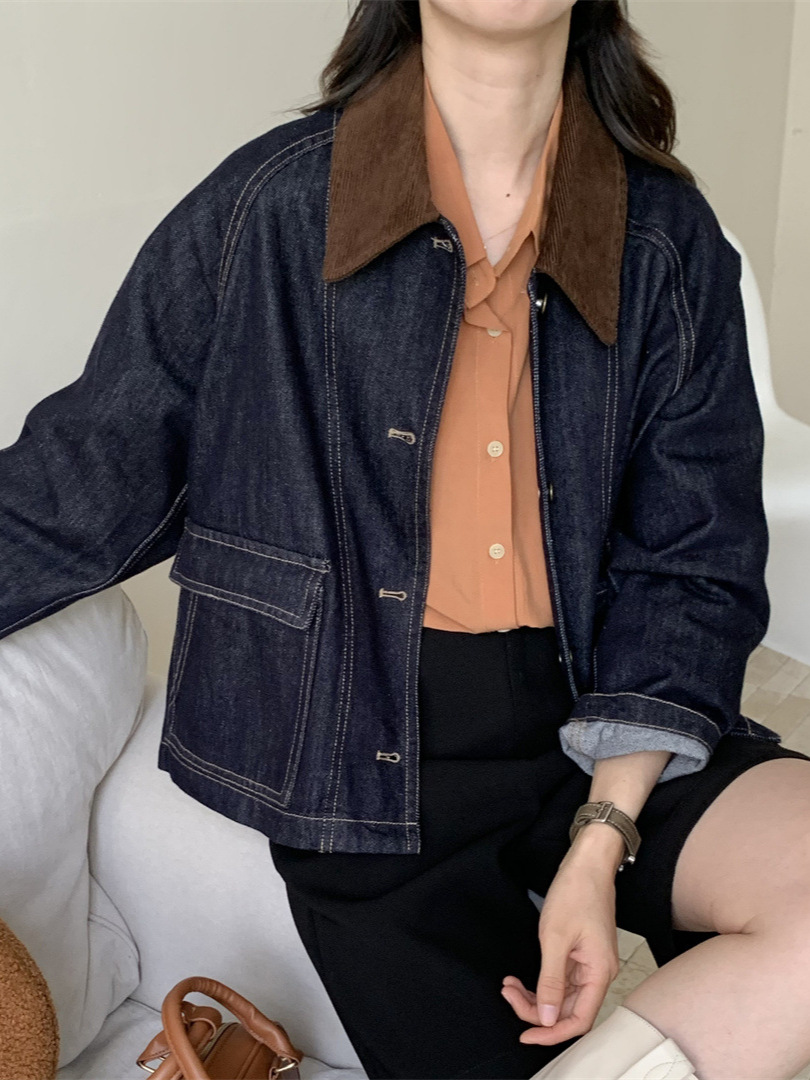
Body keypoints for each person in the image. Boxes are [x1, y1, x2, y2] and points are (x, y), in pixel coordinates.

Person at [3, 1, 810, 1078]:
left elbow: (693, 564)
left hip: (605, 713)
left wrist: (601, 837)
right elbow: (81, 481)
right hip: (358, 753)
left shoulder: (667, 238)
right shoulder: (272, 208)